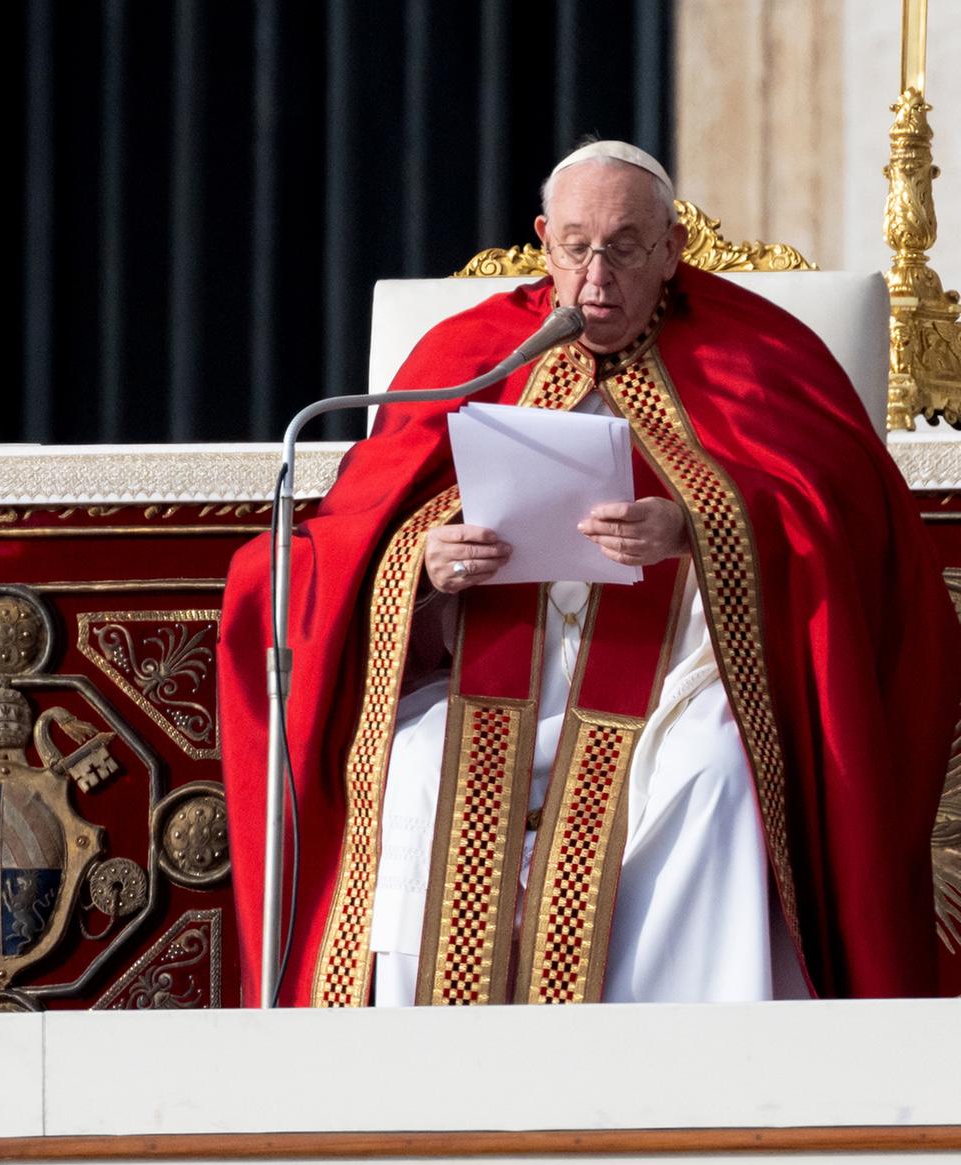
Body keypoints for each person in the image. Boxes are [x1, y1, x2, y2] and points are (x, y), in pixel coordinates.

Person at [221, 140, 961, 1007]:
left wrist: (702, 529)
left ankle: (687, 1074)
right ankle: (425, 1083)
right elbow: (337, 544)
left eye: (625, 247)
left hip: (685, 680)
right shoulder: (475, 353)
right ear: (544, 240)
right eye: (576, 248)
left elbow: (855, 531)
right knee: (417, 770)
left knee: (715, 773)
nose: (596, 277)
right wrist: (420, 565)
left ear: (672, 248)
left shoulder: (762, 354)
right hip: (488, 672)